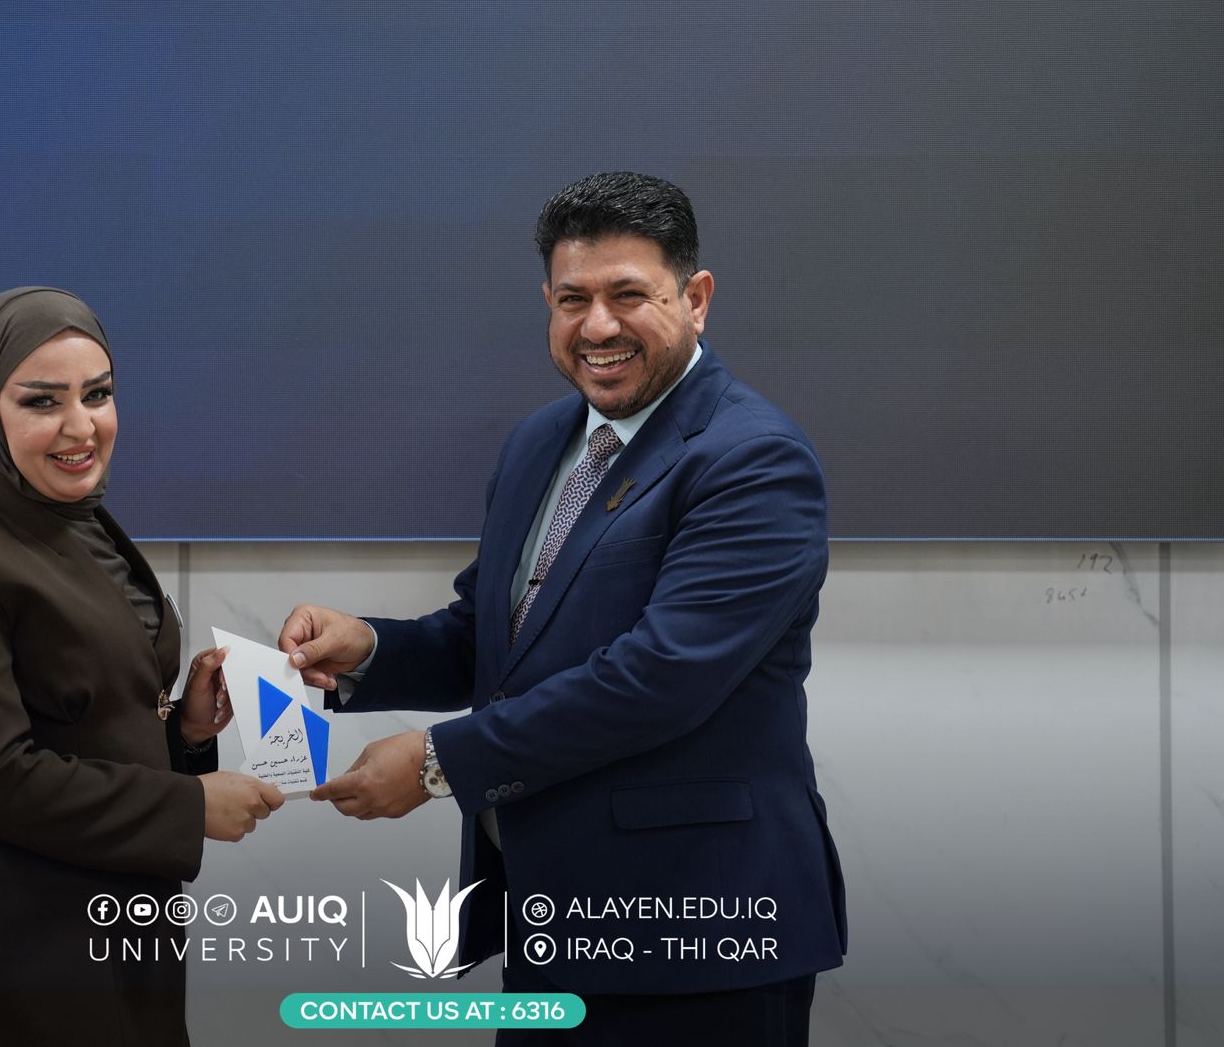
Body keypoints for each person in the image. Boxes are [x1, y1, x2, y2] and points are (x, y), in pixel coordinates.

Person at [280, 172, 845, 1045]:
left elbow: (658, 679)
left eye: (630, 296)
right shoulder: (541, 441)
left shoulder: (755, 459)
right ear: (548, 301)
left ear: (696, 299)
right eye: (574, 298)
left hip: (702, 938)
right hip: (553, 928)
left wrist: (438, 763)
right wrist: (367, 651)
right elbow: (494, 638)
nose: (599, 327)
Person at [0, 287, 284, 1046]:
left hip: (117, 931)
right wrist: (188, 807)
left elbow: (90, 722)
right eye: (42, 401)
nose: (81, 426)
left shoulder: (83, 525)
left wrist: (188, 733)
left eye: (97, 394)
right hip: (10, 954)